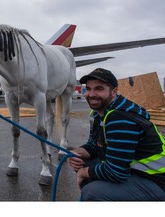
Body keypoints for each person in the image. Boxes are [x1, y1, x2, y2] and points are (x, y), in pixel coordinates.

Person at [68, 68, 165, 201]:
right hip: (136, 171)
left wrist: (84, 173)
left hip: (157, 182)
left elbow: (116, 173)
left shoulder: (121, 119)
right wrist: (79, 152)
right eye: (88, 89)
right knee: (82, 162)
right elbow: (94, 144)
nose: (91, 94)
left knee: (92, 192)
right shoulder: (100, 113)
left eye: (99, 89)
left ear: (114, 92)